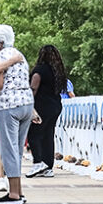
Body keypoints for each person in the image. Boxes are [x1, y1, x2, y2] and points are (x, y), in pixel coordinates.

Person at [0, 24, 34, 204]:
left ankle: (13, 195)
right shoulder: (19, 55)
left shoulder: (0, 56)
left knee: (7, 149)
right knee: (17, 149)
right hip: (26, 103)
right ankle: (18, 191)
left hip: (7, 105)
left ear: (0, 42)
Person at [27, 44, 67, 177]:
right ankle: (48, 166)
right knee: (48, 135)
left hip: (41, 106)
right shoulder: (58, 72)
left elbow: (33, 88)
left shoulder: (39, 70)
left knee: (34, 134)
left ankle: (38, 162)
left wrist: (30, 106)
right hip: (55, 106)